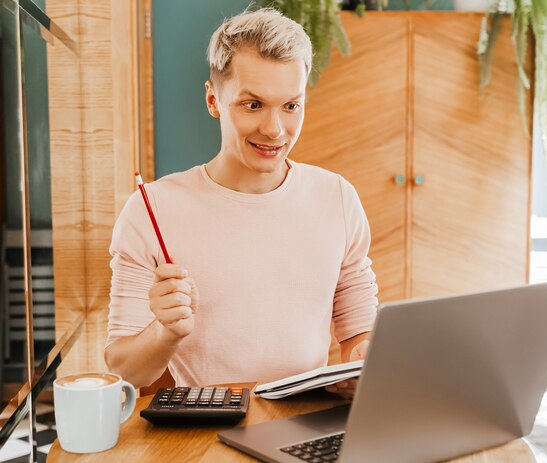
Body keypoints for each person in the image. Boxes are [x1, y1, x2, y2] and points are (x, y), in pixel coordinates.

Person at [104, 8, 378, 400]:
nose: (274, 129)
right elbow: (125, 369)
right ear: (214, 99)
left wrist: (360, 365)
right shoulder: (152, 210)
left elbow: (358, 332)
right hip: (202, 436)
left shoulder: (336, 197)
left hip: (303, 425)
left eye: (291, 106)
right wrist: (164, 334)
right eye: (253, 105)